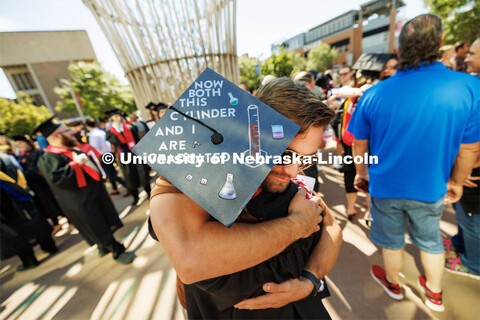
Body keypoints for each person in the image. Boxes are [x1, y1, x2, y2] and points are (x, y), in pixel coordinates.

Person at [150, 78, 342, 319]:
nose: (294, 170)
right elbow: (190, 260)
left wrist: (310, 281)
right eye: (284, 154)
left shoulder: (291, 184)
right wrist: (297, 225)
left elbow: (332, 226)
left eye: (306, 159)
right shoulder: (197, 171)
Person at [347, 14, 480, 312]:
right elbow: (470, 147)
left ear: (400, 47)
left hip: (385, 186)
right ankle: (434, 294)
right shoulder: (469, 88)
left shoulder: (375, 93)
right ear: (441, 42)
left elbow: (358, 143)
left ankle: (393, 283)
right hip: (432, 186)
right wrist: (457, 181)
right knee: (430, 239)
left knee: (391, 240)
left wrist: (361, 174)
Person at [34, 117, 136, 264]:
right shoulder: (48, 158)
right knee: (95, 225)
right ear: (56, 135)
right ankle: (116, 251)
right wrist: (75, 164)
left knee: (103, 222)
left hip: (94, 196)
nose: (71, 133)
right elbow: (58, 179)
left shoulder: (72, 149)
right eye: (67, 131)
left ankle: (104, 246)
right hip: (79, 201)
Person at [444, 37, 480, 278]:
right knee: (464, 217)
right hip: (465, 169)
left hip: (471, 174)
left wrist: (463, 174)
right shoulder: (473, 85)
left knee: (472, 220)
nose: (467, 58)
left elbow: (471, 147)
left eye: (473, 54)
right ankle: (460, 243)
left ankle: (473, 263)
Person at [0, 153, 58, 271]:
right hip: (22, 194)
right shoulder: (5, 157)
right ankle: (49, 246)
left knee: (15, 231)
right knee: (35, 221)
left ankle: (29, 260)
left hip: (6, 205)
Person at [12, 134, 65, 234]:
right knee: (45, 206)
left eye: (20, 144)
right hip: (34, 188)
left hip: (42, 185)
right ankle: (56, 222)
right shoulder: (22, 157)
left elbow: (37, 171)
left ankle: (67, 220)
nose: (19, 147)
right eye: (17, 145)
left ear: (27, 142)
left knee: (53, 203)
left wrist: (22, 174)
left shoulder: (37, 154)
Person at [105, 109, 152, 205]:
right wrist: (118, 129)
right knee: (129, 176)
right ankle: (135, 196)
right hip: (123, 156)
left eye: (118, 116)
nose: (118, 118)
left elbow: (137, 140)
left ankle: (149, 193)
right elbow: (117, 142)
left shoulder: (130, 127)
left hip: (135, 153)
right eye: (115, 117)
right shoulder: (110, 132)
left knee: (142, 173)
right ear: (111, 119)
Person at [85, 120, 127, 196]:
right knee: (111, 173)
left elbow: (95, 148)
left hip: (102, 155)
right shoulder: (101, 131)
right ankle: (115, 188)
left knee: (111, 175)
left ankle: (128, 186)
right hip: (108, 153)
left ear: (87, 126)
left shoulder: (93, 135)